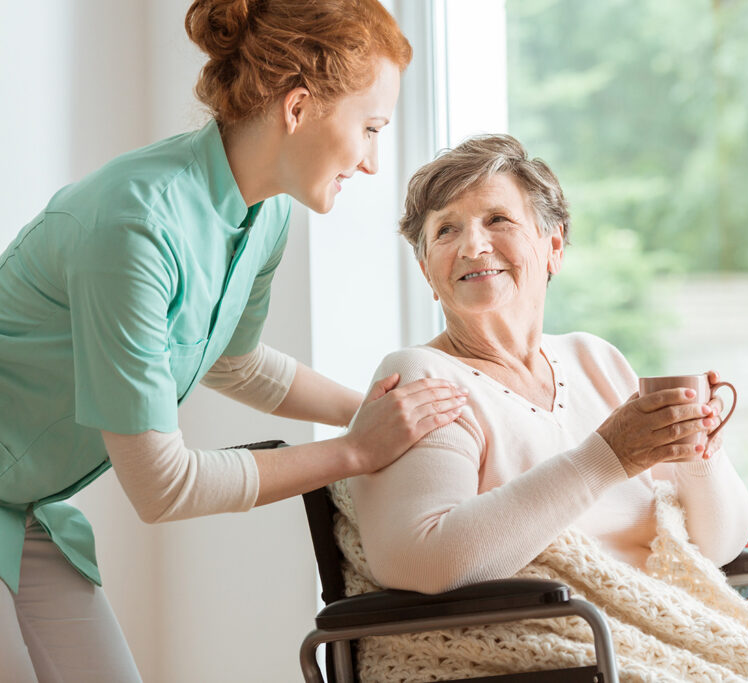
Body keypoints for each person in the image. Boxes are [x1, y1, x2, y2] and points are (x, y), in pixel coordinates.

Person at [0, 2, 468, 681]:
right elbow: (162, 485)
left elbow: (234, 362)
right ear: (299, 106)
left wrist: (381, 409)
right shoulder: (134, 227)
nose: (372, 161)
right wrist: (356, 450)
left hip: (24, 503)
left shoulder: (264, 213)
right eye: (370, 128)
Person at [331, 134, 748, 681]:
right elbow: (419, 560)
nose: (473, 245)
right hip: (556, 657)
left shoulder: (593, 359)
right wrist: (606, 458)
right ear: (428, 269)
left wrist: (699, 454)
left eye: (497, 220)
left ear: (554, 245)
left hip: (657, 640)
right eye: (445, 230)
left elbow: (717, 545)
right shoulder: (422, 378)